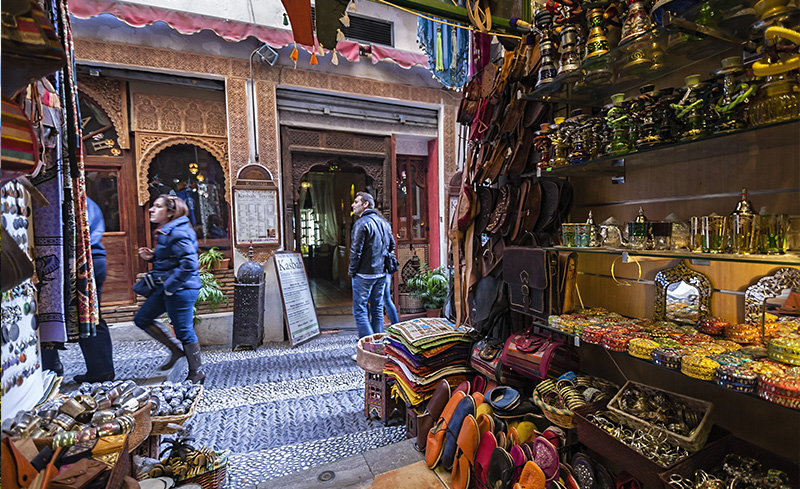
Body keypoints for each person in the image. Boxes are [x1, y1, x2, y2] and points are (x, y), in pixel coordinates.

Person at [134, 194, 205, 383]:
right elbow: (173, 259)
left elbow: (189, 264)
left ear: (170, 212)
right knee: (142, 318)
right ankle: (175, 351)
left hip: (180, 288)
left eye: (158, 206)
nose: (151, 209)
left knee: (183, 331)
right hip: (169, 286)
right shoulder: (169, 230)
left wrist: (170, 288)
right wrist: (153, 256)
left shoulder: (178, 232)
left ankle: (196, 373)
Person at [73, 197, 115, 382]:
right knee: (92, 314)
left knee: (90, 315)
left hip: (85, 261)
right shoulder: (89, 201)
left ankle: (101, 370)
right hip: (93, 260)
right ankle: (101, 368)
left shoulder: (76, 199)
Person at [349, 192, 395, 361]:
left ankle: (369, 352)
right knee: (376, 309)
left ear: (365, 204)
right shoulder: (384, 223)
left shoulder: (361, 223)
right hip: (381, 273)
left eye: (356, 202)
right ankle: (381, 348)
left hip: (364, 274)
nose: (353, 205)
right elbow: (392, 246)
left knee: (360, 311)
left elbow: (356, 251)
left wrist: (352, 270)